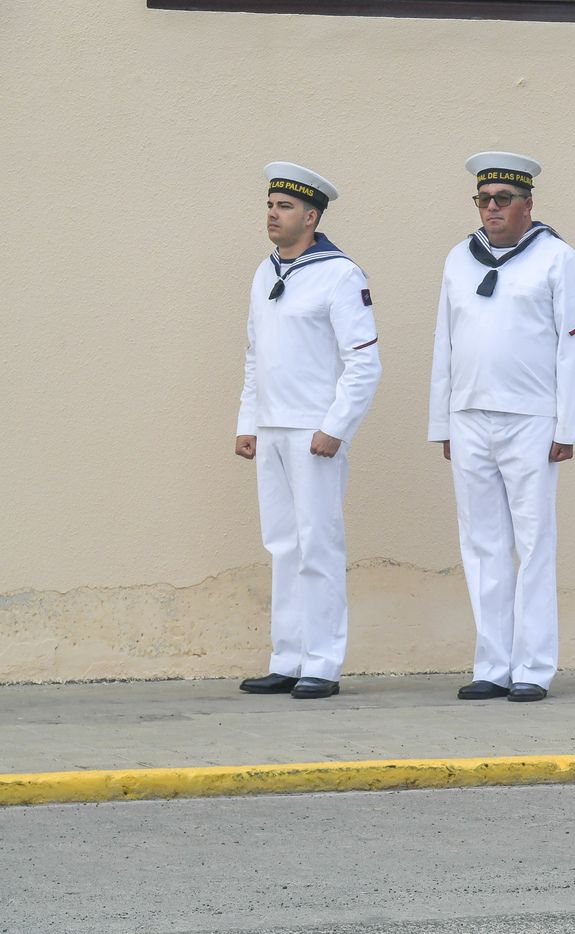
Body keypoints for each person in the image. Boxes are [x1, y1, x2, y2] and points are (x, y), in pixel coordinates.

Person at [428, 152, 575, 703]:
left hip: (530, 419)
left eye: (503, 200)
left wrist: (567, 425)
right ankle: (492, 665)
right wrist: (441, 420)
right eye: (483, 200)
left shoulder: (556, 258)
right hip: (470, 416)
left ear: (527, 204)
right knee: (481, 543)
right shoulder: (458, 259)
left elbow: (572, 346)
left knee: (533, 541)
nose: (491, 209)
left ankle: (534, 668)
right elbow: (443, 343)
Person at [235, 162, 382, 700]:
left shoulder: (340, 274)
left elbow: (364, 363)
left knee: (318, 544)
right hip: (271, 428)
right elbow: (256, 356)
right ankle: (287, 657)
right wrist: (247, 422)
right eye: (271, 205)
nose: (273, 214)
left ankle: (322, 662)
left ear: (312, 216)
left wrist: (336, 427)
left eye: (286, 207)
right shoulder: (263, 271)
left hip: (313, 433)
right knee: (283, 546)